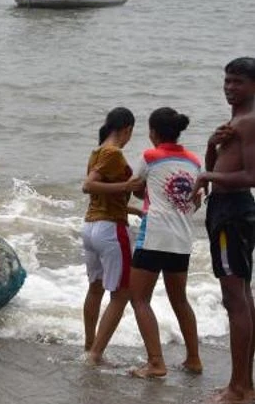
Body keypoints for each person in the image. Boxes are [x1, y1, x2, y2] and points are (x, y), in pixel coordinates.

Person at [191, 57, 255, 403]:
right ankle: (243, 383)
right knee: (241, 295)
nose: (229, 87)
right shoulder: (237, 120)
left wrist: (206, 177)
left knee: (236, 299)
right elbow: (222, 166)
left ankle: (239, 388)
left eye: (238, 82)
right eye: (227, 81)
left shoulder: (250, 122)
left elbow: (252, 176)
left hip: (234, 211)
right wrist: (211, 146)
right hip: (226, 209)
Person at [127, 107, 202, 378]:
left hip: (154, 236)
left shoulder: (150, 156)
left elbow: (134, 186)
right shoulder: (195, 161)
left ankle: (156, 362)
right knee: (180, 300)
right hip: (182, 240)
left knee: (139, 298)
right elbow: (197, 199)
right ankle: (194, 358)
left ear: (153, 132)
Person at [81, 107, 144, 365]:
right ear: (127, 129)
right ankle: (96, 354)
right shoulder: (113, 152)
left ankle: (89, 345)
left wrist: (134, 209)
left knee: (95, 288)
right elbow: (89, 185)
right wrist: (127, 186)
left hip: (90, 227)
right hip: (110, 230)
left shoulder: (96, 151)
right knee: (122, 293)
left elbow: (102, 194)